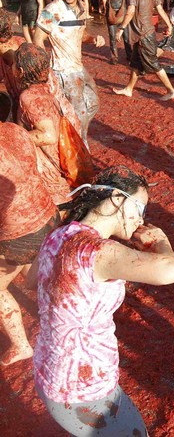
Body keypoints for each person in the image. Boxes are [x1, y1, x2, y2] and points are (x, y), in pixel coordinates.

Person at [32, 165, 174, 436]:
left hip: (49, 368)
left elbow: (34, 280)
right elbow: (169, 271)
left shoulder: (59, 234)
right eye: (140, 208)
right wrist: (161, 241)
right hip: (83, 387)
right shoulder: (99, 251)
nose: (141, 219)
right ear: (117, 199)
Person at [0, 121, 58, 366]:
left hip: (18, 233)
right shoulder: (14, 129)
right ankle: (55, 319)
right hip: (48, 214)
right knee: (40, 271)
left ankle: (21, 345)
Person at [34, 0, 105, 147]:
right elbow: (38, 39)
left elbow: (79, 34)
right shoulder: (54, 9)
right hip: (63, 71)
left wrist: (93, 38)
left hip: (78, 67)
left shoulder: (81, 8)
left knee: (93, 103)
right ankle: (80, 151)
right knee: (79, 113)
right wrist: (47, 71)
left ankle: (72, 138)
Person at [14, 43, 81, 205]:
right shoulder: (46, 89)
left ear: (21, 71)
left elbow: (48, 135)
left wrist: (13, 135)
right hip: (63, 168)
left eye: (14, 65)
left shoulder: (30, 97)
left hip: (50, 178)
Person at [113, 0, 174, 101]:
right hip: (144, 33)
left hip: (144, 34)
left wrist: (121, 28)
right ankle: (129, 89)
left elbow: (130, 10)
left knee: (153, 64)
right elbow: (160, 8)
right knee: (135, 62)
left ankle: (171, 90)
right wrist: (169, 25)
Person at [92, 0, 132, 65]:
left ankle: (130, 55)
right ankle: (114, 57)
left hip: (123, 12)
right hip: (111, 13)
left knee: (126, 37)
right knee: (112, 36)